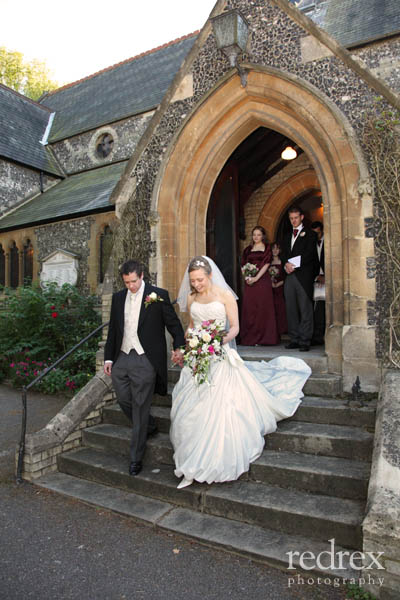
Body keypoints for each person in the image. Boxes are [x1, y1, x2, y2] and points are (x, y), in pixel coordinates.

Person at [170, 256, 311, 489]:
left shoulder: (225, 296)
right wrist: (189, 344)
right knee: (189, 409)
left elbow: (234, 327)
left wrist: (217, 342)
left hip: (220, 355)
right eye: (193, 281)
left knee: (220, 406)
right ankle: (189, 461)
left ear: (210, 275)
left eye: (200, 280)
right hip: (199, 357)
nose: (196, 285)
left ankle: (209, 460)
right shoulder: (192, 297)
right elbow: (192, 326)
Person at [104, 259, 185, 476]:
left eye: (133, 281)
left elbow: (174, 324)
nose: (130, 286)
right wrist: (108, 359)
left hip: (145, 358)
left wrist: (179, 346)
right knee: (123, 399)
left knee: (140, 407)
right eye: (126, 282)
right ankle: (148, 426)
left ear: (141, 276)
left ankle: (135, 458)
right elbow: (113, 329)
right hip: (122, 358)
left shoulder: (158, 295)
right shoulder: (118, 298)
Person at [280, 205, 319, 352]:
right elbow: (284, 254)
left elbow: (309, 254)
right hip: (289, 276)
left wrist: (292, 264)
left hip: (303, 276)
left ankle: (305, 340)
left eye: (296, 218)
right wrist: (285, 264)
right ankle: (294, 338)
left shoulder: (310, 234)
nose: (293, 221)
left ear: (302, 217)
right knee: (291, 308)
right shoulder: (286, 236)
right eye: (291, 219)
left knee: (305, 308)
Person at [240, 225, 279, 346]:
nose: (256, 237)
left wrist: (256, 278)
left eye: (259, 235)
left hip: (262, 281)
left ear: (263, 236)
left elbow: (267, 264)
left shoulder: (267, 248)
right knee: (250, 309)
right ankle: (251, 338)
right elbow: (243, 265)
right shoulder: (247, 249)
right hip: (250, 283)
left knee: (263, 308)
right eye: (254, 235)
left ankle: (264, 338)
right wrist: (246, 277)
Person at [269, 242, 288, 336]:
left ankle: (282, 330)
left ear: (280, 250)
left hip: (281, 288)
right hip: (270, 288)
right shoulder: (268, 262)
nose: (275, 250)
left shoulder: (283, 261)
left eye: (277, 248)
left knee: (281, 308)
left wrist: (278, 284)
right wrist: (271, 282)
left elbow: (287, 276)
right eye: (273, 248)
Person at [311, 221, 325, 345]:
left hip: (327, 277)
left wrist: (325, 275)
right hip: (315, 278)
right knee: (317, 308)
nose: (316, 235)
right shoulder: (311, 243)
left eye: (318, 232)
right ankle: (317, 336)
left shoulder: (327, 241)